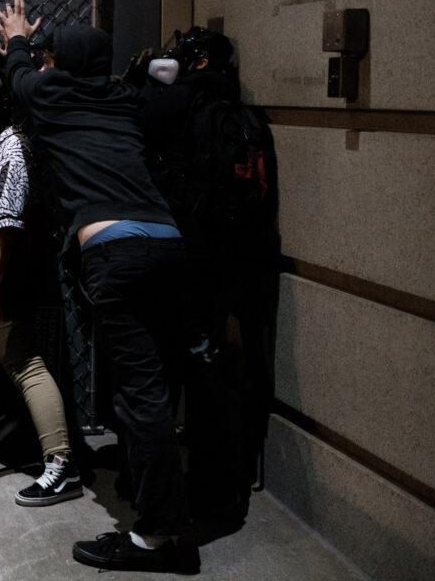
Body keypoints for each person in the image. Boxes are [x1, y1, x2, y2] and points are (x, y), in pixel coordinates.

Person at [0, 0, 199, 574]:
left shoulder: (50, 94)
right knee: (154, 389)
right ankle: (164, 508)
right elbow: (173, 100)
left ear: (55, 64)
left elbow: (17, 72)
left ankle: (157, 538)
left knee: (140, 398)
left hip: (115, 252)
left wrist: (17, 36)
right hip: (166, 243)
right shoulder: (126, 100)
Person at [134, 27, 279, 531]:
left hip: (184, 255)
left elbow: (138, 122)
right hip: (234, 264)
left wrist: (148, 79)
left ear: (194, 63)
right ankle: (220, 488)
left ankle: (172, 492)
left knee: (168, 369)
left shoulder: (181, 102)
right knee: (213, 371)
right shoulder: (245, 117)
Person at [0, 61, 81, 507]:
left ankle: (60, 463)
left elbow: (6, 228)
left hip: (5, 278)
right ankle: (5, 422)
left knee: (24, 364)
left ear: (1, 103)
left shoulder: (11, 148)